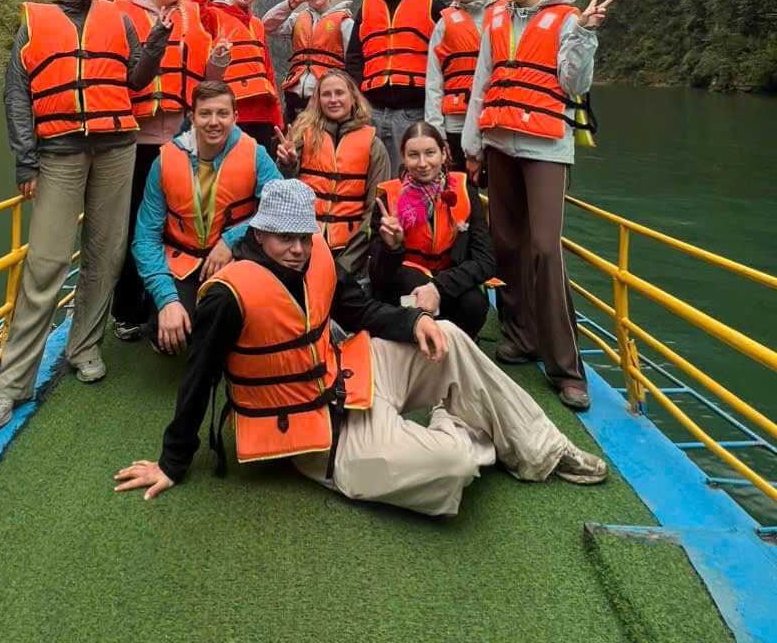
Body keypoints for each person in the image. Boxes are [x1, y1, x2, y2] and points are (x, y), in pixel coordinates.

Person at [113, 179, 607, 516]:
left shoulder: (317, 257)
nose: (298, 249)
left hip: (351, 376)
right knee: (451, 470)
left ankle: (545, 450)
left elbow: (361, 313)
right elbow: (198, 377)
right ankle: (457, 425)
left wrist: (414, 321)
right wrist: (172, 462)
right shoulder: (229, 295)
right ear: (260, 233)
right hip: (317, 436)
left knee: (449, 335)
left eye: (304, 237)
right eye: (284, 238)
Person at [0, 0, 170, 431]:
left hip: (116, 147)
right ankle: (10, 383)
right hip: (58, 153)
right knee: (46, 262)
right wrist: (26, 162)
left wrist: (158, 43)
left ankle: (84, 347)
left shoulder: (119, 20)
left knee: (106, 253)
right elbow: (17, 95)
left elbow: (134, 79)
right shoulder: (33, 22)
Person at [462, 0, 611, 412]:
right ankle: (522, 336)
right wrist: (473, 147)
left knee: (545, 248)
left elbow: (572, 82)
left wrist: (585, 34)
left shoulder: (567, 17)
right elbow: (481, 84)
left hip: (545, 146)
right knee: (507, 243)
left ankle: (566, 367)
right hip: (499, 144)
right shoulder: (496, 20)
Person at [110, 0, 231, 342]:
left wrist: (217, 63)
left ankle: (173, 303)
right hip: (137, 138)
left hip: (181, 139)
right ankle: (128, 309)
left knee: (178, 223)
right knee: (135, 225)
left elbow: (205, 82)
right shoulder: (123, 13)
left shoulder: (191, 18)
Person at [132, 81, 281, 356]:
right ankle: (175, 310)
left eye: (222, 114)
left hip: (237, 257)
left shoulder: (255, 154)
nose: (214, 122)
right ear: (192, 118)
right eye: (205, 114)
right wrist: (167, 300)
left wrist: (231, 240)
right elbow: (145, 237)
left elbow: (279, 210)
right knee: (168, 334)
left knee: (246, 327)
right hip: (183, 262)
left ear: (236, 117)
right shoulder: (164, 160)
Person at [425, 0, 580, 171]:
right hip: (456, 125)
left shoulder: (509, 8)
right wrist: (435, 132)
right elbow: (433, 82)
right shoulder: (445, 23)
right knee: (462, 200)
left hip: (497, 123)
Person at [370, 121, 495, 340]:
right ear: (403, 156)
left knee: (474, 304)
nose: (422, 163)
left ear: (444, 153)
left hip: (449, 285)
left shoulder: (466, 192)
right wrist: (392, 247)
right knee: (411, 286)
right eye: (413, 155)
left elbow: (485, 261)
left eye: (430, 153)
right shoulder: (386, 200)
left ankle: (455, 347)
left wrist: (438, 287)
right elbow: (378, 275)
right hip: (405, 290)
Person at [273, 69, 390, 276]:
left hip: (348, 255)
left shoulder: (374, 145)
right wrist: (288, 165)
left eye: (339, 93)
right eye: (326, 94)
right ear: (318, 100)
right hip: (302, 248)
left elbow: (375, 211)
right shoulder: (301, 136)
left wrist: (346, 265)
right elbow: (280, 197)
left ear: (353, 97)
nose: (333, 100)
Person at [345, 0, 444, 176]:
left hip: (413, 110)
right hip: (374, 109)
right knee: (372, 177)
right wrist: (362, 98)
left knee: (411, 177)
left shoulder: (430, 0)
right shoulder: (368, 4)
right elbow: (354, 57)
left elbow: (447, 51)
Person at [193, 0, 283, 155]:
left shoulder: (257, 25)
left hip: (262, 113)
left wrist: (276, 117)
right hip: (230, 110)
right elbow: (194, 1)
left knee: (257, 172)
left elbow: (268, 71)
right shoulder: (213, 15)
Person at [262, 0, 354, 124]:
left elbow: (354, 60)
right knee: (288, 143)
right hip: (294, 97)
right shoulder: (296, 19)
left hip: (325, 98)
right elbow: (266, 25)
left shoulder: (345, 22)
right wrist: (290, 5)